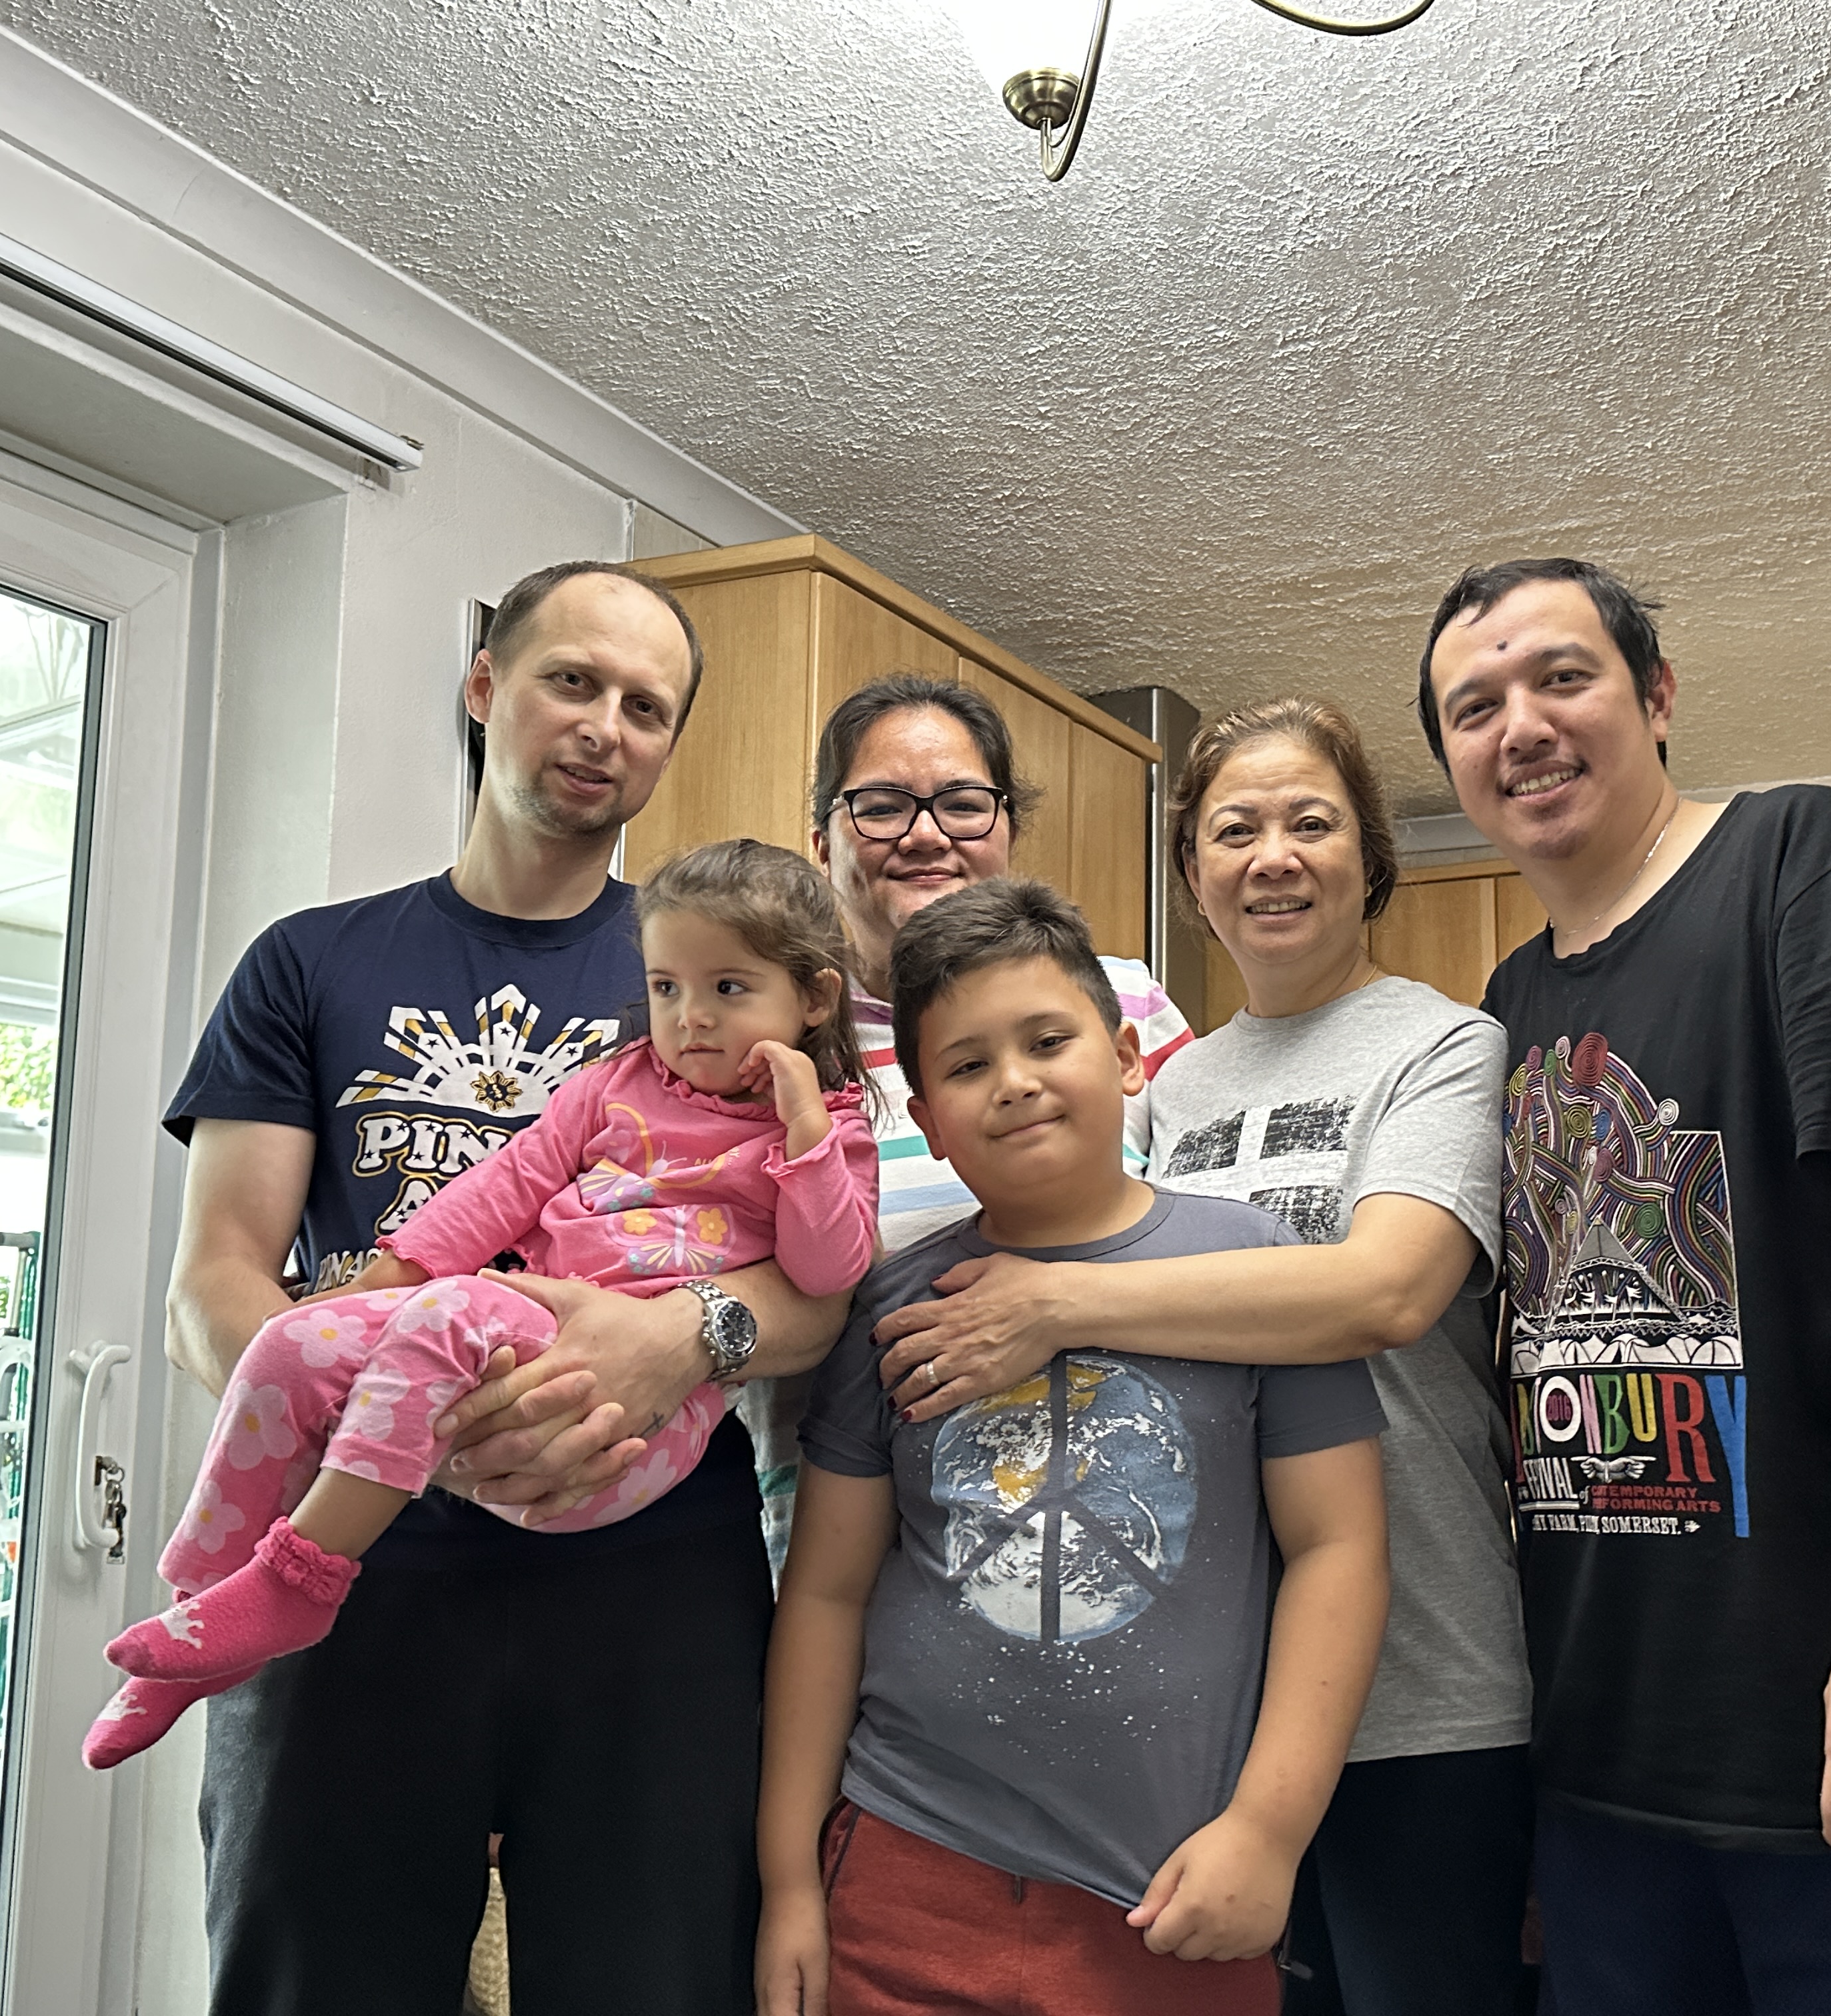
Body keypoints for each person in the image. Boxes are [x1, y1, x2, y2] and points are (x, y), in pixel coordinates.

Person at [159, 562, 854, 2016]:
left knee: (658, 1985)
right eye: (572, 681)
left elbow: (821, 1284)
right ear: (485, 688)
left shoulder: (719, 961)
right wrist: (406, 1428)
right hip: (356, 1568)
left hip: (653, 1577)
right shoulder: (309, 962)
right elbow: (215, 1280)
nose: (606, 726)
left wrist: (685, 1335)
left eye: (646, 707)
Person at [1420, 557, 1831, 2014]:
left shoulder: (1803, 859)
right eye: (1475, 707)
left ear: (1656, 696)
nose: (1521, 726)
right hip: (1600, 1757)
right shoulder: (1509, 1005)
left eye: (1562, 678)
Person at [866, 699, 1530, 2016]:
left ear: (1369, 854)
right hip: (1217, 1698)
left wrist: (1058, 1305)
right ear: (1191, 873)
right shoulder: (1170, 1091)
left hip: (1421, 1673)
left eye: (1310, 823)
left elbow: (1385, 1291)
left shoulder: (1443, 1044)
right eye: (1235, 831)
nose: (1273, 857)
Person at [91, 840, 879, 1768]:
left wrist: (805, 1134)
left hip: (629, 1441)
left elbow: (827, 1271)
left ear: (814, 998)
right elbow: (510, 1181)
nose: (690, 1018)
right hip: (509, 1342)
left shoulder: (831, 1129)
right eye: (665, 988)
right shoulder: (616, 1080)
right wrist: (396, 1272)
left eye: (729, 990)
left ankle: (299, 1580)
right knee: (292, 1344)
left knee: (452, 1314)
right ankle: (197, 1618)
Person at [756, 879, 1391, 2016]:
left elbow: (1337, 1548)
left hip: (1172, 1893)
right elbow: (827, 1594)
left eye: (1048, 1041)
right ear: (928, 1123)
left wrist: (1268, 1829)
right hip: (905, 1866)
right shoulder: (892, 1309)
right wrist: (790, 1881)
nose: (1015, 1081)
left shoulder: (1258, 1270)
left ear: (1130, 1057)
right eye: (967, 1066)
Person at [738, 673, 1192, 1567]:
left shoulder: (1123, 1004)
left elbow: (1224, 1255)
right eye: (881, 807)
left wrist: (1057, 1301)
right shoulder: (771, 1049)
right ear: (821, 842)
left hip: (1125, 1538)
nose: (925, 835)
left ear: (1008, 828)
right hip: (845, 1563)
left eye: (963, 804)